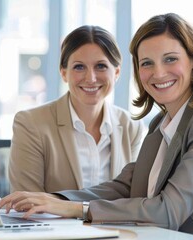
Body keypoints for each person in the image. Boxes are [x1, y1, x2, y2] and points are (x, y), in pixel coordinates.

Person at [0, 13, 193, 240]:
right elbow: (126, 187)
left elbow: (168, 212)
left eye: (170, 59)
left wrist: (78, 209)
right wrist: (56, 201)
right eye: (147, 63)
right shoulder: (163, 122)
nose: (158, 73)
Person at [8, 25, 145, 193]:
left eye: (100, 66)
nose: (91, 78)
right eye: (79, 67)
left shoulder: (131, 128)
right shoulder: (31, 124)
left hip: (112, 221)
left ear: (116, 72)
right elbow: (26, 202)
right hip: (50, 221)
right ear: (63, 73)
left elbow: (134, 198)